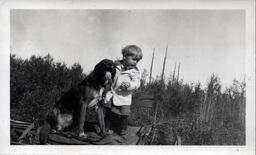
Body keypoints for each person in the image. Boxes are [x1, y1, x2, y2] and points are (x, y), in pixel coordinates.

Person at [105, 45, 143, 137]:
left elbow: (137, 83)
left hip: (124, 96)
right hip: (113, 93)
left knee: (124, 114)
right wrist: (107, 73)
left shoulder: (135, 71)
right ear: (125, 56)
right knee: (109, 111)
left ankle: (123, 130)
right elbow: (108, 71)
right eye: (134, 59)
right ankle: (106, 128)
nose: (136, 62)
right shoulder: (116, 65)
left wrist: (130, 85)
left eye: (137, 61)